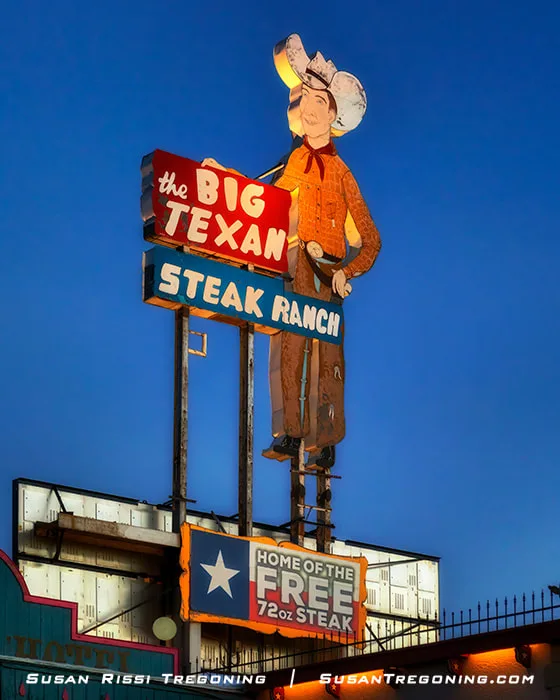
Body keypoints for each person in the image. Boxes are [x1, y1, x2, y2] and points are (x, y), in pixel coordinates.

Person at [204, 34, 382, 468]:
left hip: (331, 272)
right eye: (306, 101)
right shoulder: (298, 163)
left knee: (328, 360)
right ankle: (290, 433)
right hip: (297, 262)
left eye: (319, 102)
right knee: (289, 344)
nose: (311, 109)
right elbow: (266, 200)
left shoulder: (342, 174)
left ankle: (326, 440)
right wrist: (222, 182)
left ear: (333, 114)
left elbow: (371, 239)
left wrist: (348, 272)